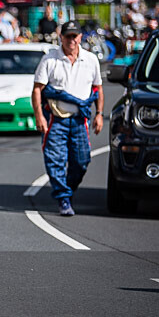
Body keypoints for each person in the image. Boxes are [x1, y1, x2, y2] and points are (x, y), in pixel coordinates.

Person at [31, 21, 104, 216]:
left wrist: (99, 114)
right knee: (55, 159)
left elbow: (97, 88)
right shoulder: (50, 59)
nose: (71, 40)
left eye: (75, 36)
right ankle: (63, 198)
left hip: (80, 120)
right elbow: (38, 89)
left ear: (80, 37)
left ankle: (67, 190)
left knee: (81, 161)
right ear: (61, 37)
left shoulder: (90, 60)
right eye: (68, 36)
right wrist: (39, 116)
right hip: (56, 118)